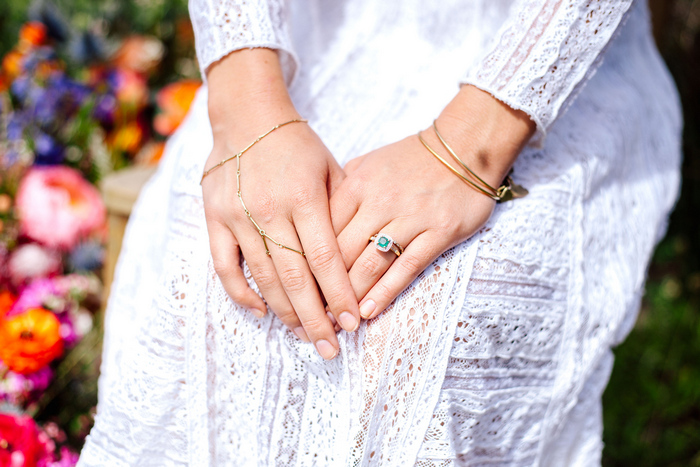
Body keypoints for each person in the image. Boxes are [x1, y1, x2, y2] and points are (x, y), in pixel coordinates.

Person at [79, 0, 682, 465]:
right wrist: (248, 111)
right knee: (224, 272)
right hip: (298, 43)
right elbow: (248, 117)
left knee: (422, 324)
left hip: (539, 57)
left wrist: (468, 148)